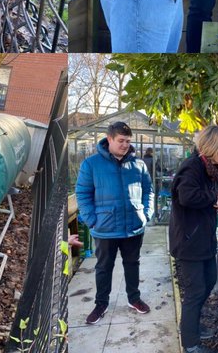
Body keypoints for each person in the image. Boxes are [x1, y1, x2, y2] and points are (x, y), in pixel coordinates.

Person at [74, 120, 153, 326]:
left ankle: (134, 298)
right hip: (105, 228)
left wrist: (146, 213)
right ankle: (101, 304)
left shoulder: (139, 164)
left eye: (128, 141)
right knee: (103, 267)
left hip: (134, 227)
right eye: (121, 140)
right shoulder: (91, 164)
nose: (125, 145)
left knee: (132, 264)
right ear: (109, 139)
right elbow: (82, 194)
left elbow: (148, 191)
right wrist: (92, 220)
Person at [170, 125, 218, 353]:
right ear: (213, 147)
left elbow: (209, 192)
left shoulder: (211, 168)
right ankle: (190, 343)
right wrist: (213, 198)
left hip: (204, 239)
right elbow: (187, 196)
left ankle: (192, 327)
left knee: (208, 282)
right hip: (189, 242)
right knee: (195, 291)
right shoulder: (192, 167)